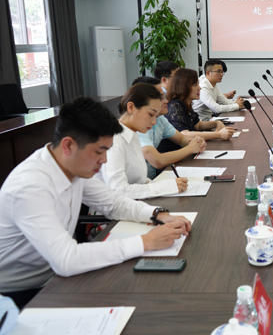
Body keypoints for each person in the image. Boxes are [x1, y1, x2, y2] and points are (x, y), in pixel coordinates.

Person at [0, 97, 191, 309]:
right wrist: (145, 242)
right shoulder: (29, 186)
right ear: (68, 145)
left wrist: (158, 214)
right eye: (99, 152)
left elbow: (114, 203)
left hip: (55, 278)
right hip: (17, 294)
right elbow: (66, 260)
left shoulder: (73, 167)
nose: (105, 160)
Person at [99, 84, 188, 199]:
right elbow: (119, 190)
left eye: (156, 116)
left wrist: (163, 185)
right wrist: (165, 187)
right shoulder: (114, 140)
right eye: (151, 114)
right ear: (131, 107)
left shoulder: (133, 134)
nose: (154, 122)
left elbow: (139, 181)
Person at [132, 77, 206, 179]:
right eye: (161, 98)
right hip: (141, 184)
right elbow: (157, 161)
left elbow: (180, 138)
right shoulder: (136, 125)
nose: (166, 101)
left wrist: (195, 142)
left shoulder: (160, 119)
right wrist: (190, 148)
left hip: (152, 179)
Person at [161, 68, 235, 153]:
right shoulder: (174, 106)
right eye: (195, 85)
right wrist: (218, 134)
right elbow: (184, 134)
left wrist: (216, 123)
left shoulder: (186, 103)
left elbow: (198, 125)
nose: (199, 88)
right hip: (173, 154)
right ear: (183, 87)